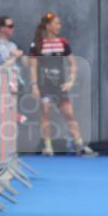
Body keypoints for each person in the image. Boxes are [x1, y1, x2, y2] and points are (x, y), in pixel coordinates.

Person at [27, 12, 96, 157]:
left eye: (59, 23)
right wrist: (34, 86)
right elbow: (33, 67)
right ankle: (48, 147)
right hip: (44, 86)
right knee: (45, 112)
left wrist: (71, 80)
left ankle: (79, 145)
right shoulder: (37, 44)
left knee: (69, 113)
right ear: (48, 26)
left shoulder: (63, 43)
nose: (59, 26)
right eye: (56, 23)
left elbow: (73, 63)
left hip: (59, 86)